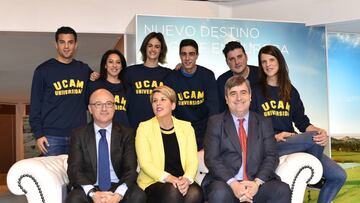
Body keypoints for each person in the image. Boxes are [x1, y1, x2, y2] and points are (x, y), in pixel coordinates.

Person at [250, 45, 346, 203]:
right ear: (260, 65)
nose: (268, 64)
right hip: (271, 144)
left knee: (339, 176)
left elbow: (302, 122)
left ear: (279, 61)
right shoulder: (256, 92)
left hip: (292, 141)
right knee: (312, 138)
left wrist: (318, 130)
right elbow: (251, 126)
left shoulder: (290, 90)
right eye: (263, 61)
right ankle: (314, 178)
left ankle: (314, 173)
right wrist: (273, 136)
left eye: (271, 59)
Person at [203, 76, 291, 203]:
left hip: (256, 183)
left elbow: (271, 156)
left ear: (250, 96)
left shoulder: (264, 122)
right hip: (226, 183)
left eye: (243, 92)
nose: (239, 98)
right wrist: (234, 184)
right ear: (226, 99)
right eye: (233, 94)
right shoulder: (216, 122)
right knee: (218, 193)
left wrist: (257, 183)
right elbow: (211, 158)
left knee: (282, 190)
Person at [66, 88, 146, 203]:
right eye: (98, 104)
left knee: (138, 196)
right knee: (74, 199)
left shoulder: (127, 133)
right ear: (90, 109)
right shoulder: (78, 134)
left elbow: (131, 169)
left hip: (118, 185)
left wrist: (119, 194)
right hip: (90, 186)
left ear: (114, 107)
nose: (104, 108)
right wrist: (93, 193)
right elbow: (74, 169)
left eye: (109, 104)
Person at [29, 26, 94, 156]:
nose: (66, 46)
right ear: (56, 44)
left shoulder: (83, 69)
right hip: (51, 138)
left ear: (76, 45)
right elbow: (35, 105)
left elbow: (91, 98)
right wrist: (38, 134)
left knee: (77, 176)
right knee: (50, 176)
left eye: (70, 42)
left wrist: (95, 77)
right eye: (62, 42)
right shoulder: (43, 70)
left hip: (78, 137)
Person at [136, 85, 203, 203]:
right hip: (154, 181)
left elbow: (192, 161)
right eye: (155, 101)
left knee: (195, 193)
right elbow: (145, 164)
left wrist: (186, 179)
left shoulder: (186, 127)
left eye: (163, 99)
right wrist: (170, 178)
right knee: (173, 192)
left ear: (173, 105)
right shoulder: (144, 127)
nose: (158, 103)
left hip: (181, 179)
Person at [164, 39, 219, 150]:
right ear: (180, 55)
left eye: (191, 54)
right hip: (181, 130)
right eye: (184, 54)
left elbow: (214, 108)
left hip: (204, 131)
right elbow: (168, 109)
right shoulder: (171, 78)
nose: (187, 58)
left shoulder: (207, 75)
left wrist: (212, 135)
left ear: (197, 55)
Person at [124, 32, 171, 129]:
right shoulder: (130, 72)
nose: (153, 49)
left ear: (161, 50)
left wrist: (180, 66)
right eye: (150, 46)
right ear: (145, 48)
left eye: (157, 46)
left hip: (160, 129)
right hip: (134, 128)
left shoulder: (169, 74)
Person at [88, 49, 130, 127]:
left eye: (118, 62)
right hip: (101, 133)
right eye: (111, 62)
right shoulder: (95, 85)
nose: (114, 65)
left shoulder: (128, 88)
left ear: (122, 66)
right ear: (105, 65)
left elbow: (131, 113)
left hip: (123, 134)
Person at [217, 41, 259, 112]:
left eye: (239, 57)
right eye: (232, 59)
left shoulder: (261, 74)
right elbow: (221, 111)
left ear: (246, 57)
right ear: (227, 62)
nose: (237, 62)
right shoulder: (221, 81)